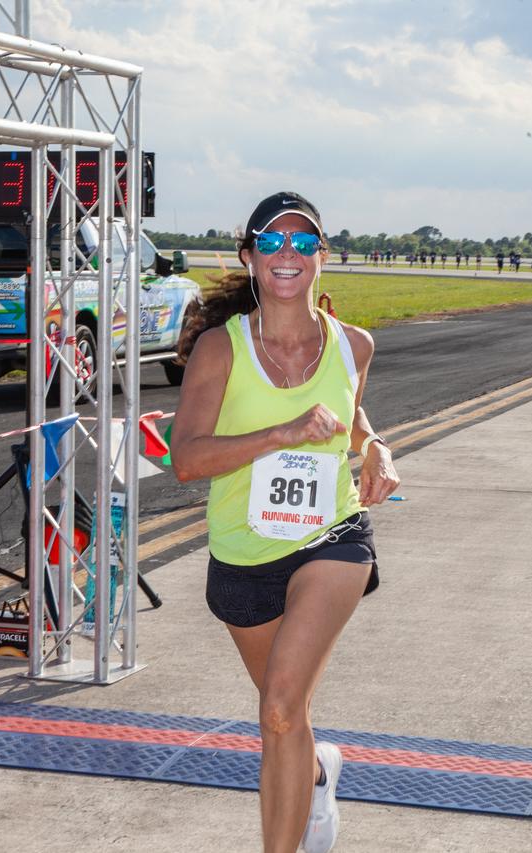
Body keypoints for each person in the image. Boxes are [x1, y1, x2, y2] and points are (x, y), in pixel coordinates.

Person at [170, 192, 398, 853]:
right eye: (271, 242)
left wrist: (374, 445)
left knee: (276, 707)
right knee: (287, 717)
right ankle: (320, 773)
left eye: (303, 242)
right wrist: (282, 432)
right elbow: (186, 458)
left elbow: (352, 417)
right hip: (243, 555)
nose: (287, 253)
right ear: (249, 257)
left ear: (323, 256)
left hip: (332, 538)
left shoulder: (355, 344)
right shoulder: (220, 349)